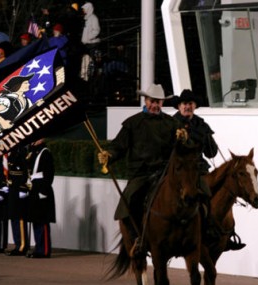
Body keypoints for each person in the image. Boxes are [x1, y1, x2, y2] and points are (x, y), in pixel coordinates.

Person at [97, 83, 187, 250]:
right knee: (130, 201)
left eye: (158, 102)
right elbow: (119, 146)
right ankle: (134, 237)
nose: (155, 105)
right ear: (145, 100)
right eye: (152, 101)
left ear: (162, 103)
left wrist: (183, 139)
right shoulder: (132, 123)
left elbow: (182, 150)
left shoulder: (172, 123)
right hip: (141, 173)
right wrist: (109, 155)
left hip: (166, 173)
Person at [172, 89, 245, 250]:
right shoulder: (171, 123)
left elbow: (210, 152)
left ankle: (225, 232)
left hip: (199, 169)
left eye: (191, 104)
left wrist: (208, 138)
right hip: (178, 170)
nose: (187, 107)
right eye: (185, 104)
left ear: (195, 106)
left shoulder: (201, 125)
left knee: (222, 191)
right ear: (179, 106)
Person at [26, 139, 56, 258]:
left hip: (42, 191)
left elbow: (49, 175)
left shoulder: (45, 153)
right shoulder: (34, 152)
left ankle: (44, 250)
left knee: (42, 221)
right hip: (34, 189)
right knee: (36, 220)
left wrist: (42, 189)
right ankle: (39, 248)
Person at [5, 146, 30, 256]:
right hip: (12, 188)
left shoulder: (21, 150)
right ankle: (17, 244)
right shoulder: (10, 152)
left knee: (20, 218)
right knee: (13, 217)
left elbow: (25, 171)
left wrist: (23, 188)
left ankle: (22, 245)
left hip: (19, 187)